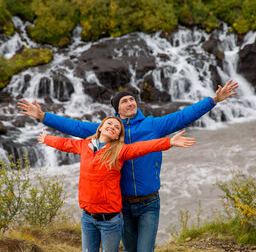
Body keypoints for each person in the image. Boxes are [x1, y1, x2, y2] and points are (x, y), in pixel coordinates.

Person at [18, 79, 238, 251]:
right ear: (117, 109)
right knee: (130, 249)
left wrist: (214, 100)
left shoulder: (154, 125)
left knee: (145, 250)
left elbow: (184, 115)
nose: (130, 103)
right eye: (124, 101)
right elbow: (74, 127)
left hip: (149, 202)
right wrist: (43, 116)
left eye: (132, 99)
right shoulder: (108, 130)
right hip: (121, 205)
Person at [37, 116, 196, 252]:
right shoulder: (84, 146)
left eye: (117, 127)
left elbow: (142, 147)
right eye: (109, 124)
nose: (112, 127)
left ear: (117, 136)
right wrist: (46, 139)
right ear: (100, 127)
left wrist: (169, 142)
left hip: (110, 221)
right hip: (87, 218)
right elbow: (64, 143)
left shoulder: (119, 151)